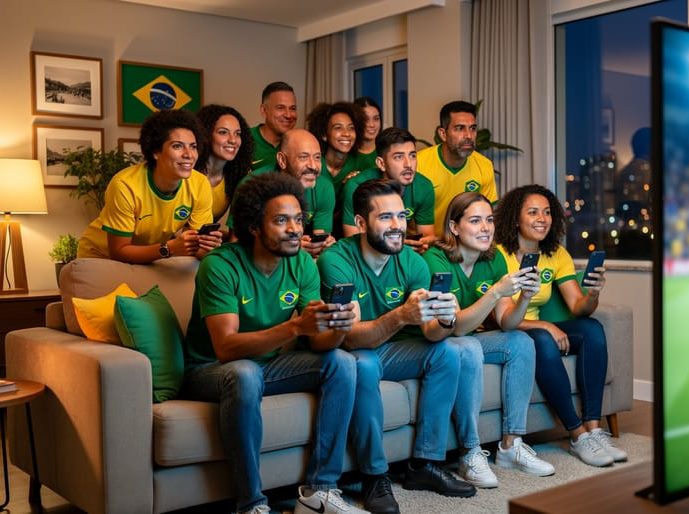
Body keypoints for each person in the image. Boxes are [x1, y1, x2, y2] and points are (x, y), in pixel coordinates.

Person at [181, 172, 366, 514]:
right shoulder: (219, 266)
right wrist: (295, 327)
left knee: (342, 362)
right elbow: (226, 347)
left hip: (269, 365)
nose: (295, 229)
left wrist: (340, 327)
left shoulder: (302, 263)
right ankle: (251, 504)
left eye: (298, 219)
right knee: (245, 373)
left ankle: (320, 491)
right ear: (254, 226)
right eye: (281, 221)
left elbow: (318, 341)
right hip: (210, 369)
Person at [317, 179, 476, 509]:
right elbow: (349, 338)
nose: (397, 226)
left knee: (447, 352)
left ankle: (424, 464)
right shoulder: (336, 261)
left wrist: (446, 319)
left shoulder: (413, 261)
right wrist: (402, 315)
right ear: (361, 223)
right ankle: (375, 476)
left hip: (393, 350)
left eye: (402, 216)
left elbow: (431, 332)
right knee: (363, 363)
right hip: (355, 352)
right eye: (385, 217)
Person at [422, 192, 555, 488]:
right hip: (441, 342)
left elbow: (507, 322)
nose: (486, 228)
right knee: (468, 344)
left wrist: (525, 296)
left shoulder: (493, 259)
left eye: (489, 220)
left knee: (521, 341)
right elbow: (456, 328)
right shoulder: (435, 260)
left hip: (471, 339)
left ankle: (511, 445)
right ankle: (470, 452)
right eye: (475, 221)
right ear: (454, 227)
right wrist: (496, 291)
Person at [494, 184, 627, 468]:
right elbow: (500, 318)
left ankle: (594, 429)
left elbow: (578, 306)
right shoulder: (497, 255)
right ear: (516, 218)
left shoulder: (555, 254)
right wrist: (545, 325)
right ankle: (577, 435)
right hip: (508, 329)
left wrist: (593, 293)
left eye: (547, 212)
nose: (542, 219)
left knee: (591, 328)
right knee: (543, 339)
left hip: (535, 326)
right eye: (533, 212)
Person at [77, 109, 222, 262]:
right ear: (156, 152)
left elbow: (197, 249)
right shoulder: (125, 185)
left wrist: (208, 246)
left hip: (151, 256)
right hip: (100, 256)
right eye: (177, 146)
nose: (189, 155)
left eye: (193, 146)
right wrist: (169, 248)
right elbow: (118, 252)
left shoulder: (200, 184)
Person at [234, 129, 336, 258]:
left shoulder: (324, 187)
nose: (313, 166)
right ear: (282, 160)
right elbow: (236, 244)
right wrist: (289, 246)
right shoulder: (253, 185)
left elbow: (320, 239)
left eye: (317, 157)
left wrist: (322, 245)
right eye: (303, 157)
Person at [341, 127, 436, 253]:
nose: (408, 164)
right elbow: (353, 240)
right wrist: (395, 244)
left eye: (412, 156)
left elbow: (428, 235)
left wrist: (421, 243)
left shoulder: (424, 186)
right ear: (381, 164)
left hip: (403, 248)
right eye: (398, 157)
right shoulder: (356, 186)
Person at [417, 100, 498, 236]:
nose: (468, 136)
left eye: (472, 128)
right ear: (443, 134)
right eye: (460, 128)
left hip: (464, 242)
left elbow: (488, 215)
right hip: (423, 242)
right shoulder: (418, 164)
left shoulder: (484, 165)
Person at [195, 104, 254, 227]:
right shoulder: (186, 172)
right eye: (223, 132)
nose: (233, 140)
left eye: (237, 134)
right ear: (205, 134)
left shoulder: (237, 176)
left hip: (204, 238)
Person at [306, 101, 365, 196]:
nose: (346, 133)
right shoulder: (313, 163)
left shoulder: (361, 164)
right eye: (338, 128)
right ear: (324, 134)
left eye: (351, 128)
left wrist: (351, 185)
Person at [251, 81, 298, 170]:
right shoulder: (243, 140)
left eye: (293, 108)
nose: (288, 115)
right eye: (280, 108)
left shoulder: (300, 144)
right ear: (264, 110)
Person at [352, 96, 382, 171]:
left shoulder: (386, 151)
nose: (372, 125)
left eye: (376, 119)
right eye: (365, 119)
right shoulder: (345, 154)